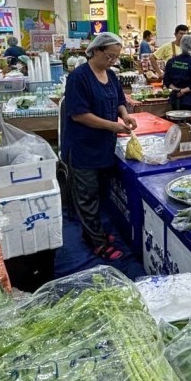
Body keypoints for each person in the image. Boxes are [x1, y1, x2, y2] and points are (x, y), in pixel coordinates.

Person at [61, 32, 138, 261]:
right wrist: (113, 126)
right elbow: (79, 115)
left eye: (116, 57)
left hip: (104, 146)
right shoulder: (79, 77)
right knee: (86, 196)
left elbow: (119, 101)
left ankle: (96, 233)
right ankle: (96, 242)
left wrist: (124, 116)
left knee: (99, 192)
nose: (113, 61)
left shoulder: (112, 76)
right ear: (96, 50)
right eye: (110, 56)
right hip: (83, 147)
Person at [163, 34, 191, 113]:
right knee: (189, 124)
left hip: (174, 98)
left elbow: (166, 80)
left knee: (175, 122)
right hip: (190, 100)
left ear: (181, 45)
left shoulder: (171, 61)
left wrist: (176, 89)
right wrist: (183, 90)